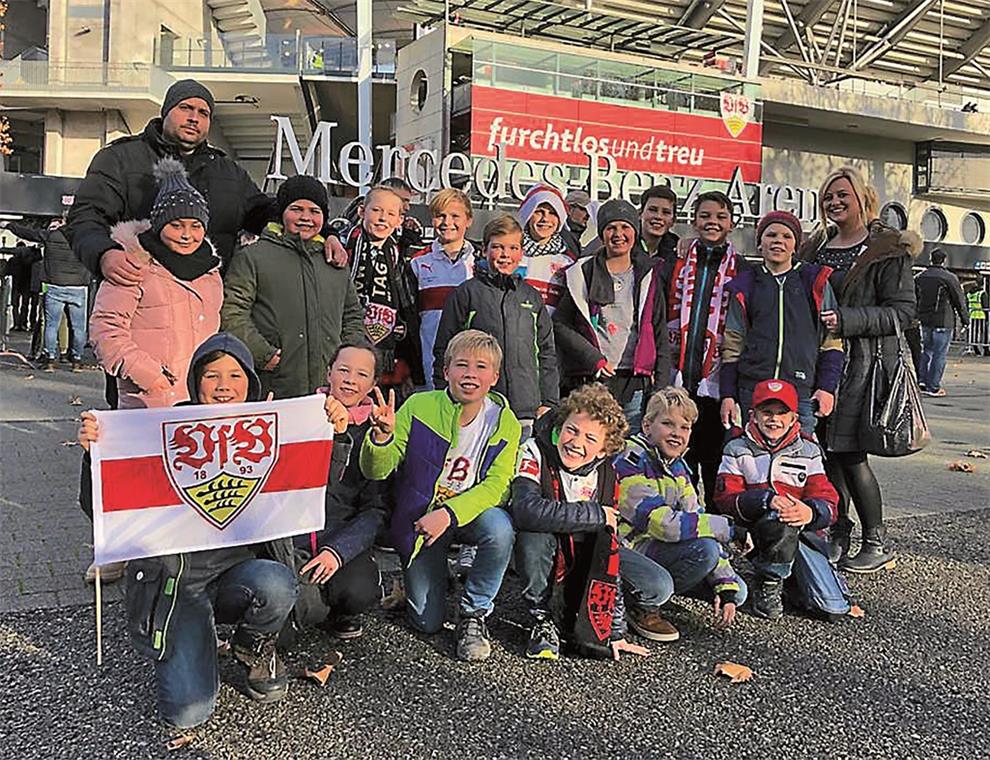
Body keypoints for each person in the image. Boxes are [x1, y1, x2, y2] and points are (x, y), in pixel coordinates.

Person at [77, 333, 300, 729]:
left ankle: (253, 646)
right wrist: (96, 456)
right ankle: (194, 637)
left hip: (239, 574)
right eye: (212, 374)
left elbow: (310, 482)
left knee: (278, 583)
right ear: (196, 380)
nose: (223, 386)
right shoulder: (162, 431)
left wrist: (333, 430)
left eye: (235, 375)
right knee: (187, 714)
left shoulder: (269, 430)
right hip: (178, 582)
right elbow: (104, 507)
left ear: (251, 381)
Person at [359, 330, 520, 661]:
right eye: (461, 365)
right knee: (425, 622)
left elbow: (499, 486)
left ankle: (474, 613)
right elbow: (377, 471)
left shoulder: (505, 422)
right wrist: (380, 440)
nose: (470, 374)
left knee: (500, 528)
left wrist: (448, 514)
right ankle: (434, 574)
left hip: (465, 516)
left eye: (481, 367)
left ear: (495, 376)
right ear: (446, 371)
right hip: (420, 521)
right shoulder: (419, 405)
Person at [801, 165, 920, 573]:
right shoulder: (816, 244)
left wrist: (846, 319)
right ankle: (839, 530)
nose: (834, 202)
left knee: (850, 454)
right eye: (828, 197)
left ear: (860, 197)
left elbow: (903, 312)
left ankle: (876, 540)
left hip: (865, 364)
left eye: (842, 195)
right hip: (821, 361)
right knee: (827, 453)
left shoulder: (888, 247)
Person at [510, 383, 672, 661]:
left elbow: (607, 554)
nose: (576, 443)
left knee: (659, 586)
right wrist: (594, 513)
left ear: (602, 451)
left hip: (580, 549)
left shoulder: (608, 475)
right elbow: (526, 510)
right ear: (561, 425)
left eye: (589, 438)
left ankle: (579, 610)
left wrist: (613, 631)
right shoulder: (533, 450)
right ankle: (541, 618)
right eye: (571, 430)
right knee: (534, 534)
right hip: (540, 543)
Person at [67, 79, 272, 279]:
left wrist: (297, 198)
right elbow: (86, 216)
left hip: (208, 301)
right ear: (165, 112)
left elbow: (263, 214)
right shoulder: (119, 158)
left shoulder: (229, 172)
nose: (194, 118)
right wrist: (103, 253)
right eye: (185, 108)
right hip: (138, 295)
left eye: (204, 113)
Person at [89, 158, 222, 410]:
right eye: (176, 225)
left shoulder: (210, 271)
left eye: (196, 226)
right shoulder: (132, 264)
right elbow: (105, 329)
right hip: (151, 398)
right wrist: (149, 376)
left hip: (199, 398)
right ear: (160, 224)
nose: (187, 235)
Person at [714, 379, 850, 621]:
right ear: (752, 415)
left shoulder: (809, 451)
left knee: (832, 609)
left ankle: (792, 581)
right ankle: (769, 582)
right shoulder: (736, 448)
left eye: (782, 413)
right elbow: (725, 499)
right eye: (766, 412)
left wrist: (810, 512)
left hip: (799, 531)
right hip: (755, 529)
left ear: (794, 418)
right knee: (780, 517)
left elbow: (828, 499)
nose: (774, 419)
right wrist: (766, 499)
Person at [614, 387, 747, 630]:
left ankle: (658, 590)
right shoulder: (628, 460)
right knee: (668, 580)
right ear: (646, 425)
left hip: (654, 548)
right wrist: (726, 528)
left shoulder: (678, 466)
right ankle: (640, 603)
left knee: (737, 592)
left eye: (684, 428)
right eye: (668, 424)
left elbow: (696, 521)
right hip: (623, 549)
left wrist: (725, 585)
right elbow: (662, 524)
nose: (677, 434)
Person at [222, 174, 364, 400]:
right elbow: (233, 311)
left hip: (329, 389)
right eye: (297, 209)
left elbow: (352, 315)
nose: (305, 217)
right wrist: (262, 353)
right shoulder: (253, 257)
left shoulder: (335, 262)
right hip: (276, 384)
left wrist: (349, 360)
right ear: (282, 213)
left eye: (314, 211)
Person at [286, 341, 388, 644]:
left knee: (358, 591)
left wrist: (338, 552)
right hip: (295, 538)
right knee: (285, 620)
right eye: (343, 370)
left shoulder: (377, 429)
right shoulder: (299, 416)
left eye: (361, 374)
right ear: (328, 372)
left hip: (339, 538)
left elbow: (376, 510)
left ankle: (341, 610)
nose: (350, 380)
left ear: (372, 383)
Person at [433, 214, 558, 437]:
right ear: (484, 250)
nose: (505, 255)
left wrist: (548, 401)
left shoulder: (532, 297)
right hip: (477, 407)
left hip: (526, 410)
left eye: (512, 248)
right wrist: (446, 397)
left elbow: (546, 353)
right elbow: (444, 350)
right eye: (498, 247)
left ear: (521, 252)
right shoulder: (466, 294)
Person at [719, 211, 843, 435]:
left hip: (801, 392)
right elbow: (732, 343)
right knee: (748, 460)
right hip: (753, 390)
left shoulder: (815, 282)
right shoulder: (745, 284)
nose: (778, 241)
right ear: (759, 243)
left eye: (787, 236)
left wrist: (826, 388)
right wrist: (728, 394)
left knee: (798, 462)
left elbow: (831, 342)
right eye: (771, 235)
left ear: (796, 245)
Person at [552, 199, 670, 434]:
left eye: (625, 227)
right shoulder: (582, 273)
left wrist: (662, 386)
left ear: (635, 232)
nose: (618, 234)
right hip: (593, 380)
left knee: (629, 450)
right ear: (602, 233)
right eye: (611, 228)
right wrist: (592, 357)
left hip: (634, 383)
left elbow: (658, 331)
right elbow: (560, 324)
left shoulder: (649, 274)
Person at [663, 190, 749, 503]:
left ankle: (715, 526)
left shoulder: (742, 269)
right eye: (705, 216)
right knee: (678, 461)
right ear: (694, 221)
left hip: (715, 382)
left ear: (731, 224)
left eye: (720, 217)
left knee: (714, 460)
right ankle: (679, 525)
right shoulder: (676, 264)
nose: (712, 222)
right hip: (679, 380)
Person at [344, 185, 423, 393]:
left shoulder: (398, 252)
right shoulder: (346, 243)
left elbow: (405, 297)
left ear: (399, 220)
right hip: (348, 334)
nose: (382, 218)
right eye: (376, 210)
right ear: (362, 211)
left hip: (387, 342)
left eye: (390, 214)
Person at [2, 217, 91, 370]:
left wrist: (8, 225)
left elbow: (27, 233)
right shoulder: (82, 238)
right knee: (78, 327)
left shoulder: (51, 236)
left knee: (51, 325)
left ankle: (49, 359)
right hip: (78, 286)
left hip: (54, 285)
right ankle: (77, 359)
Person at [408, 188, 477, 388]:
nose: (447, 222)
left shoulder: (480, 262)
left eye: (455, 216)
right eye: (441, 216)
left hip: (472, 364)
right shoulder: (417, 262)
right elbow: (410, 320)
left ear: (469, 220)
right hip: (429, 365)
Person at [517, 185, 580, 310]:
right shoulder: (512, 255)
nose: (545, 219)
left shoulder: (568, 262)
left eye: (552, 213)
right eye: (539, 212)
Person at [915, 248, 968, 396]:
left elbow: (914, 298)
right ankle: (934, 386)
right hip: (944, 321)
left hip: (925, 320)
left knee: (927, 351)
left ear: (931, 259)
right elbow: (959, 300)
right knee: (940, 354)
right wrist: (965, 320)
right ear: (944, 261)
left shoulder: (920, 277)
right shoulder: (949, 278)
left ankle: (922, 381)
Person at [380, 176, 424, 257]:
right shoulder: (364, 229)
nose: (407, 207)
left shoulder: (401, 228)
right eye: (403, 200)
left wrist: (409, 239)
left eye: (408, 201)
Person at [638, 185, 679, 262]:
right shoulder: (624, 244)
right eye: (653, 210)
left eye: (666, 212)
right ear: (640, 214)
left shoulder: (678, 251)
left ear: (673, 220)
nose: (658, 216)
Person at [561, 189, 591, 254]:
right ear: (569, 209)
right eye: (583, 209)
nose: (588, 214)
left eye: (589, 210)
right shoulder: (559, 237)